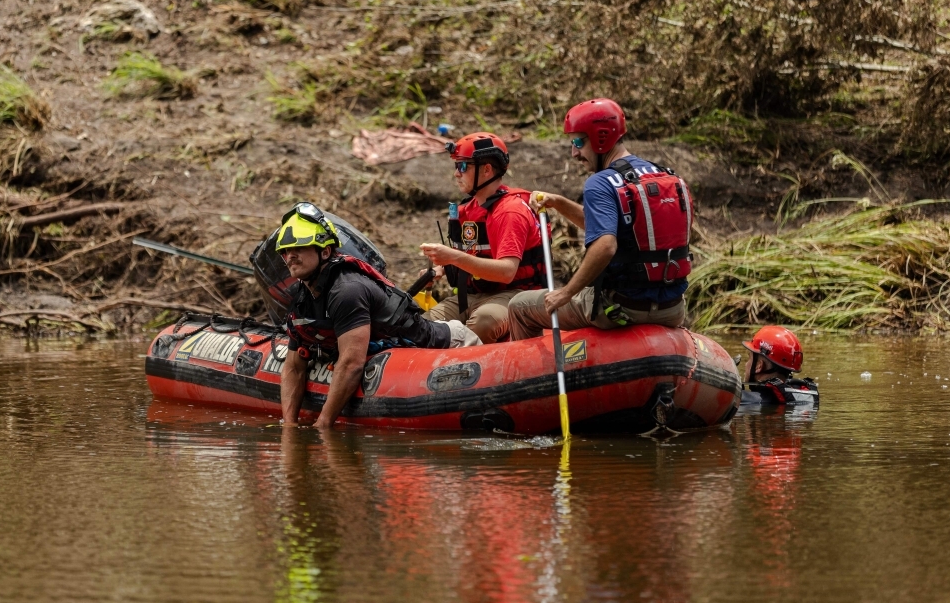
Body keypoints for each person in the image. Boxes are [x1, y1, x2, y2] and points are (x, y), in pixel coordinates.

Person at [277, 202, 482, 429]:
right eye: (285, 251)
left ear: (325, 251)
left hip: (451, 345)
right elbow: (294, 366)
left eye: (299, 248)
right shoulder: (301, 296)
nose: (290, 256)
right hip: (398, 351)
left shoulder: (347, 290)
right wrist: (289, 426)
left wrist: (322, 425)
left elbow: (351, 364)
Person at [508, 98, 693, 341]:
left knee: (519, 306)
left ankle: (532, 374)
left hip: (621, 308)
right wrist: (560, 203)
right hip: (673, 309)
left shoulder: (601, 183)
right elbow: (614, 229)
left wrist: (565, 293)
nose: (574, 153)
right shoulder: (666, 176)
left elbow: (606, 245)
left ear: (600, 137)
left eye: (578, 142)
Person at [418, 132, 547, 343]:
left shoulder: (510, 211)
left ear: (486, 170)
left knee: (483, 322)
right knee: (423, 325)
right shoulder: (468, 210)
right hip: (472, 296)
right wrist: (441, 269)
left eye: (462, 166)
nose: (456, 174)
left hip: (516, 294)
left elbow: (507, 272)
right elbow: (472, 255)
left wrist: (453, 258)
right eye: (456, 167)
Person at [741, 325, 819, 405]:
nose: (746, 364)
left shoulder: (744, 400)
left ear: (759, 366)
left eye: (749, 358)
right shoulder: (800, 396)